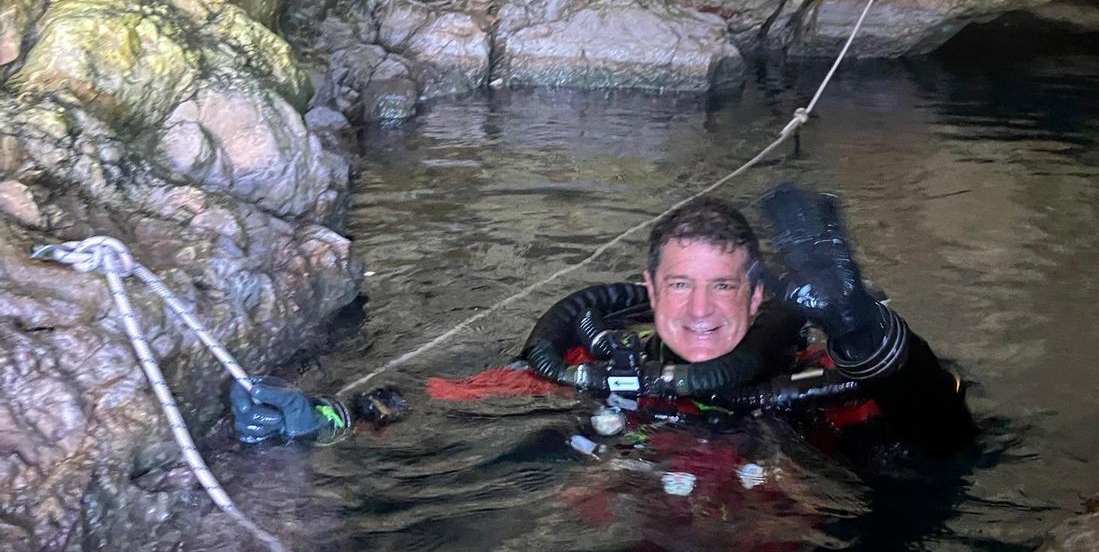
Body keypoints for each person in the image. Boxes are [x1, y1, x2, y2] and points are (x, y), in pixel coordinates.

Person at [232, 185, 974, 454]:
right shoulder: (609, 366)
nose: (701, 310)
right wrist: (329, 419)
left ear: (758, 299)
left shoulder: (814, 377)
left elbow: (942, 436)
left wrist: (864, 333)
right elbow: (445, 401)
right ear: (650, 292)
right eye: (681, 285)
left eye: (725, 288)